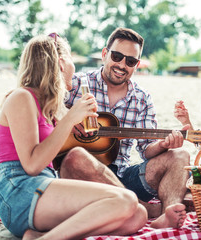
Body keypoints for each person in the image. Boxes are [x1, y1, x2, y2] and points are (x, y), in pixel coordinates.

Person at [0, 34, 147, 239]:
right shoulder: (21, 97)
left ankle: (40, 236)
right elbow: (31, 165)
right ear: (62, 62)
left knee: (137, 216)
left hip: (42, 187)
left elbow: (61, 143)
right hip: (18, 189)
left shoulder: (49, 106)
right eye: (71, 58)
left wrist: (70, 119)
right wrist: (70, 118)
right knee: (126, 200)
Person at [61, 27, 188, 229]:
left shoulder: (142, 98)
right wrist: (65, 118)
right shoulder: (76, 84)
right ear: (105, 54)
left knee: (180, 155)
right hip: (82, 179)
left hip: (123, 176)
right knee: (76, 159)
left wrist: (163, 145)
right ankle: (146, 210)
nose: (122, 65)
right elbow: (40, 106)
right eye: (117, 56)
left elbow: (147, 151)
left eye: (130, 61)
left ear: (136, 65)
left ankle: (167, 214)